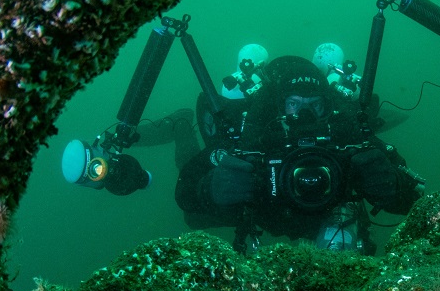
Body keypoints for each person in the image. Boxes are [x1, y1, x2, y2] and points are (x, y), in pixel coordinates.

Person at [174, 55, 424, 254]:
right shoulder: (257, 136)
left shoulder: (346, 135)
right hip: (265, 213)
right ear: (279, 105)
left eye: (315, 105)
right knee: (193, 219)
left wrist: (392, 184)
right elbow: (184, 191)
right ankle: (180, 127)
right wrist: (210, 188)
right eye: (293, 103)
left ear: (328, 106)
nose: (304, 115)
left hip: (328, 218)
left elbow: (416, 197)